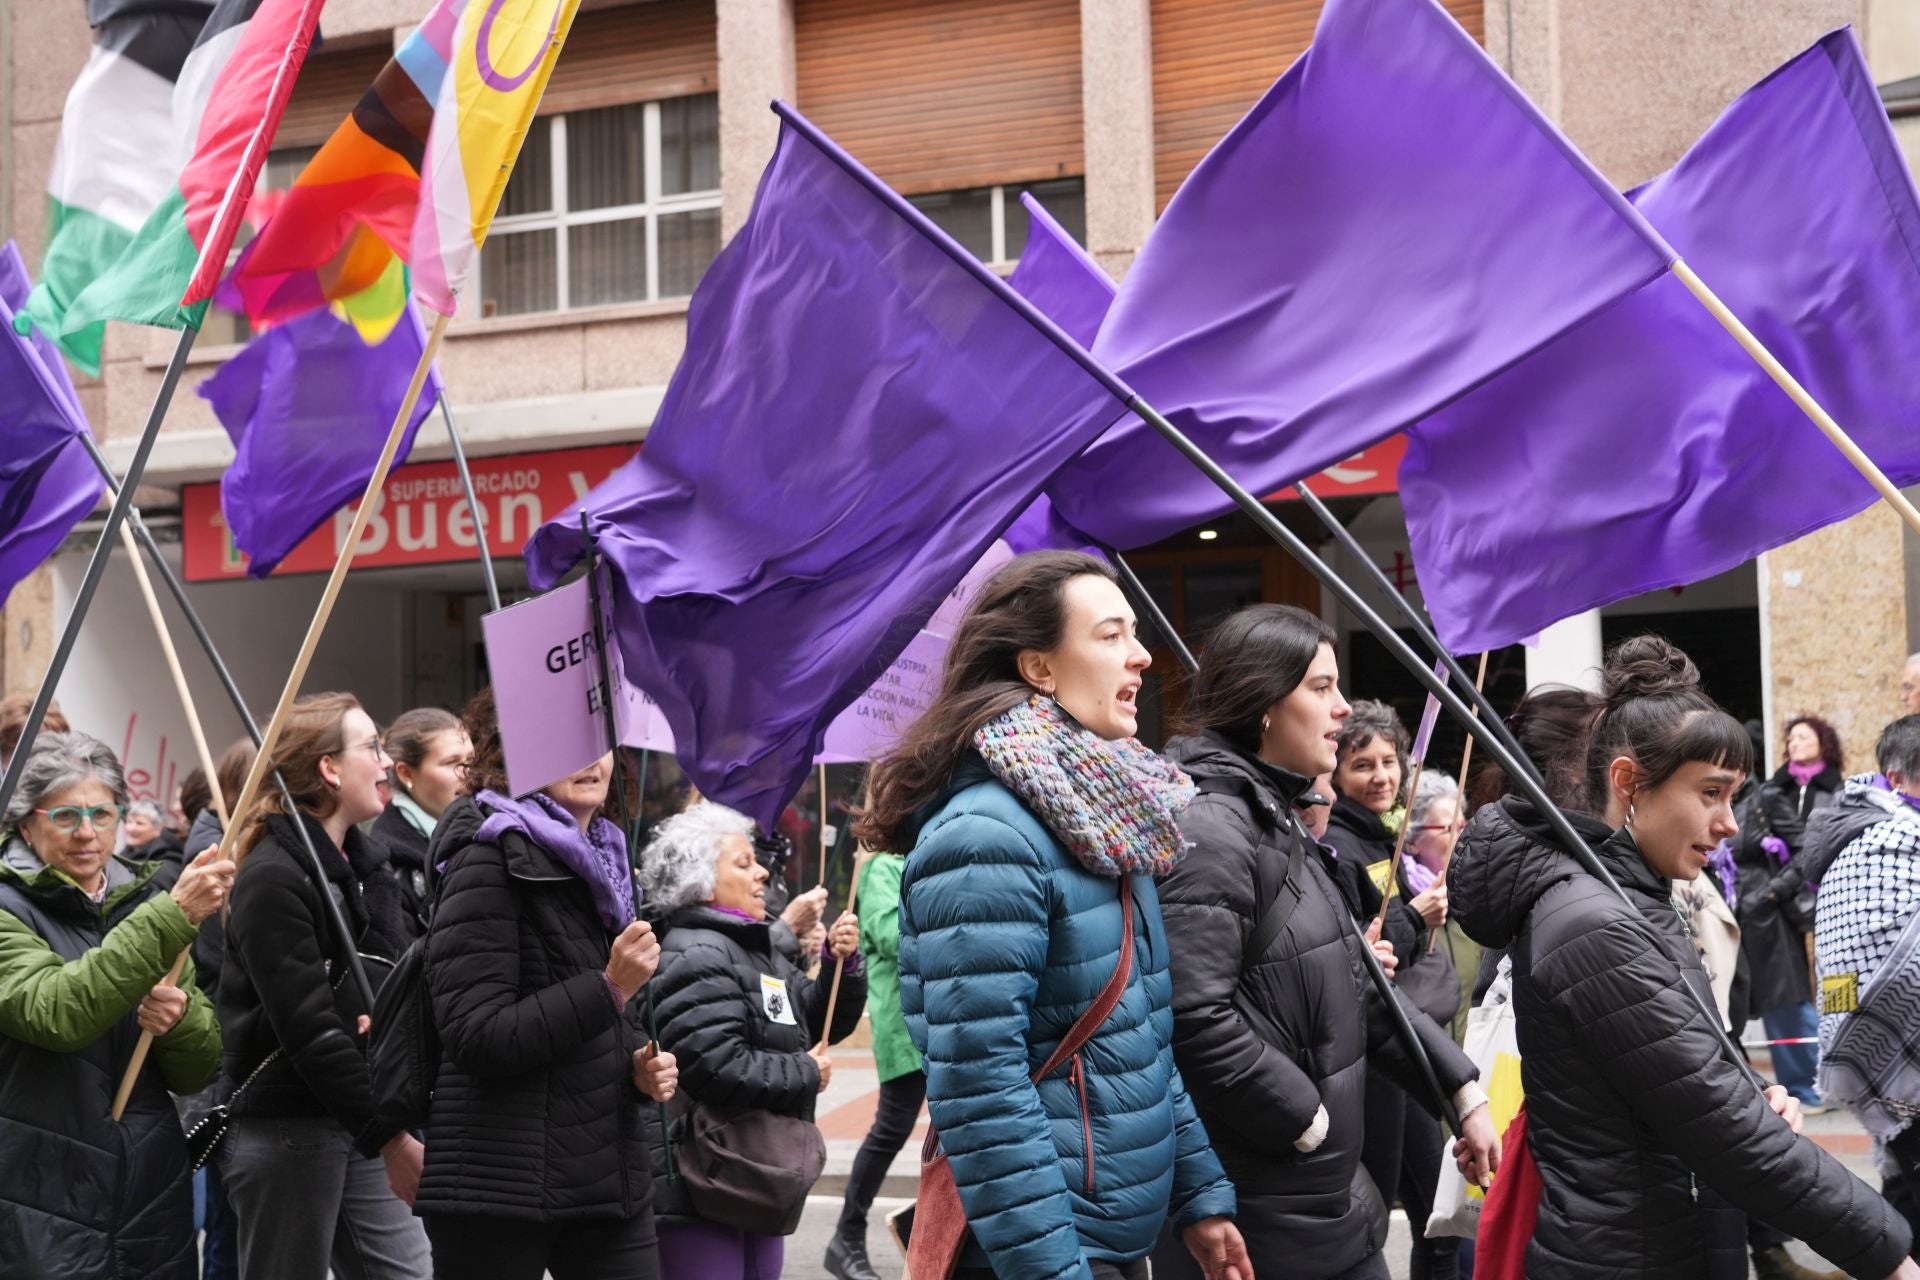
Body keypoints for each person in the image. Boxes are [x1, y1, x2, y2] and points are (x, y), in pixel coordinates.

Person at [1449, 636, 1917, 1278]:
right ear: (1628, 782)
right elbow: (1717, 1121)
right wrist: (1888, 1253)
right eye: (1710, 793)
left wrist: (1753, 1088)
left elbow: (1677, 1062)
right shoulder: (1593, 921)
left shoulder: (1634, 895)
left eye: (1733, 796)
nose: (1730, 823)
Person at [859, 550, 1250, 1280]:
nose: (1140, 657)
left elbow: (1139, 1037)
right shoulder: (985, 837)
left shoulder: (1107, 817)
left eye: (1135, 633)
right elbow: (980, 1089)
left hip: (1106, 1238)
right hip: (1039, 1251)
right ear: (1039, 669)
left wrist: (1200, 1193)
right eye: (1109, 635)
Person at [1154, 603, 1494, 1280]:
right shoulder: (1212, 828)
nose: (1342, 709)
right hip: (1258, 1223)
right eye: (1321, 687)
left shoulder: (1274, 820)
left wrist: (1461, 1095)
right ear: (1263, 704)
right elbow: (1188, 1013)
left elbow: (1359, 984)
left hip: (1326, 1209)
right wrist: (1305, 1118)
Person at [416, 688, 673, 1280]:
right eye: (566, 742)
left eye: (600, 742)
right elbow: (477, 1035)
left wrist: (636, 1071)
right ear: (518, 752)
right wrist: (608, 987)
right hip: (501, 1187)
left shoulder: (607, 864)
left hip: (608, 1181)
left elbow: (593, 1030)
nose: (591, 760)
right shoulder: (487, 857)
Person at [0, 730, 233, 1279]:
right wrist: (171, 917)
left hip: (149, 1192)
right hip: (41, 1190)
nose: (87, 834)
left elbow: (199, 1069)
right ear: (26, 822)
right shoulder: (9, 908)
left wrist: (176, 1023)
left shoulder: (146, 902)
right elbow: (56, 1010)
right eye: (66, 817)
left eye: (103, 815)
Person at [216, 693, 429, 1280]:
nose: (386, 762)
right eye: (371, 748)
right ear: (329, 770)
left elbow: (394, 978)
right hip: (290, 1127)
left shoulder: (369, 867)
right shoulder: (271, 877)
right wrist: (391, 1139)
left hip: (360, 1113)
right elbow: (309, 1030)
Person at [642, 800, 866, 1277]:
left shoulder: (750, 947)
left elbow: (809, 1018)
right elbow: (716, 1064)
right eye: (743, 864)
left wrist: (839, 968)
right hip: (703, 1181)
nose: (763, 873)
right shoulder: (695, 953)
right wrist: (805, 1071)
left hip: (752, 1175)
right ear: (700, 883)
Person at [1323, 700, 1460, 1280]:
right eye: (1362, 765)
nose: (1380, 776)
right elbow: (1359, 953)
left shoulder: (1389, 836)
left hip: (1408, 1045)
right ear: (1335, 772)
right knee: (1373, 1210)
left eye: (1388, 761)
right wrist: (1417, 920)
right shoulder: (1337, 843)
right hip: (1375, 1054)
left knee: (1442, 1216)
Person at [1808, 715, 1920, 1240]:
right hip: (1882, 1032)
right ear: (1898, 779)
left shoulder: (1863, 829)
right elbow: (1859, 950)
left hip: (1878, 1038)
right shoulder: (1884, 840)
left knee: (1903, 1177)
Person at [1736, 714, 1844, 1110]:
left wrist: (1771, 892)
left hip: (1770, 915)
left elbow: (1806, 850)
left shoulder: (1765, 796)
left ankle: (1811, 1085)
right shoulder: (1722, 799)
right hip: (1731, 917)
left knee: (1789, 1003)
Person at [825, 840, 920, 1280]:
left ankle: (928, 1228)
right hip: (903, 1029)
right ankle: (846, 1237)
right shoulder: (884, 865)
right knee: (890, 1131)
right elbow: (889, 934)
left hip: (935, 1024)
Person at [373, 706, 472, 937]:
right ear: (406, 774)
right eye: (452, 763)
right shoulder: (386, 863)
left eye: (471, 759)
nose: (468, 772)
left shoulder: (490, 828)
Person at [1407, 770, 1480, 1046]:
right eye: (1448, 829)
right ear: (1412, 840)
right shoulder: (1401, 909)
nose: (1461, 836)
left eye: (1463, 825)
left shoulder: (1473, 902)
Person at [121, 797, 186, 888]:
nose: (131, 828)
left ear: (158, 829)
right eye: (129, 821)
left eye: (139, 823)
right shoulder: (126, 853)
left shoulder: (166, 862)